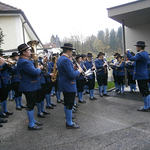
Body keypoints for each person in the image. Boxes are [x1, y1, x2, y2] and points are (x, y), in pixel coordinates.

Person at [17, 43, 43, 130]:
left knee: (31, 104)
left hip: (31, 85)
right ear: (24, 52)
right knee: (30, 105)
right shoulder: (24, 62)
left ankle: (33, 120)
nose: (30, 52)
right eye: (28, 50)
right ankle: (31, 124)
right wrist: (39, 68)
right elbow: (35, 72)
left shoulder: (26, 60)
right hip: (29, 86)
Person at [57, 43, 82, 129]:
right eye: (71, 51)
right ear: (68, 51)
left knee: (67, 103)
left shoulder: (61, 58)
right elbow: (71, 75)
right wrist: (78, 71)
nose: (72, 53)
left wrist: (73, 69)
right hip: (69, 84)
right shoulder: (66, 60)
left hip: (65, 84)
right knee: (69, 104)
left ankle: (69, 118)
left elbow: (67, 71)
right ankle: (69, 123)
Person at [127, 41, 150, 111]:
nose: (136, 48)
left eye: (137, 46)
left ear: (139, 47)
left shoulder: (140, 54)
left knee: (144, 92)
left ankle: (146, 107)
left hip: (141, 76)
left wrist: (127, 52)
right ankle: (148, 105)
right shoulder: (145, 53)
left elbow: (132, 58)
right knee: (146, 91)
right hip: (145, 74)